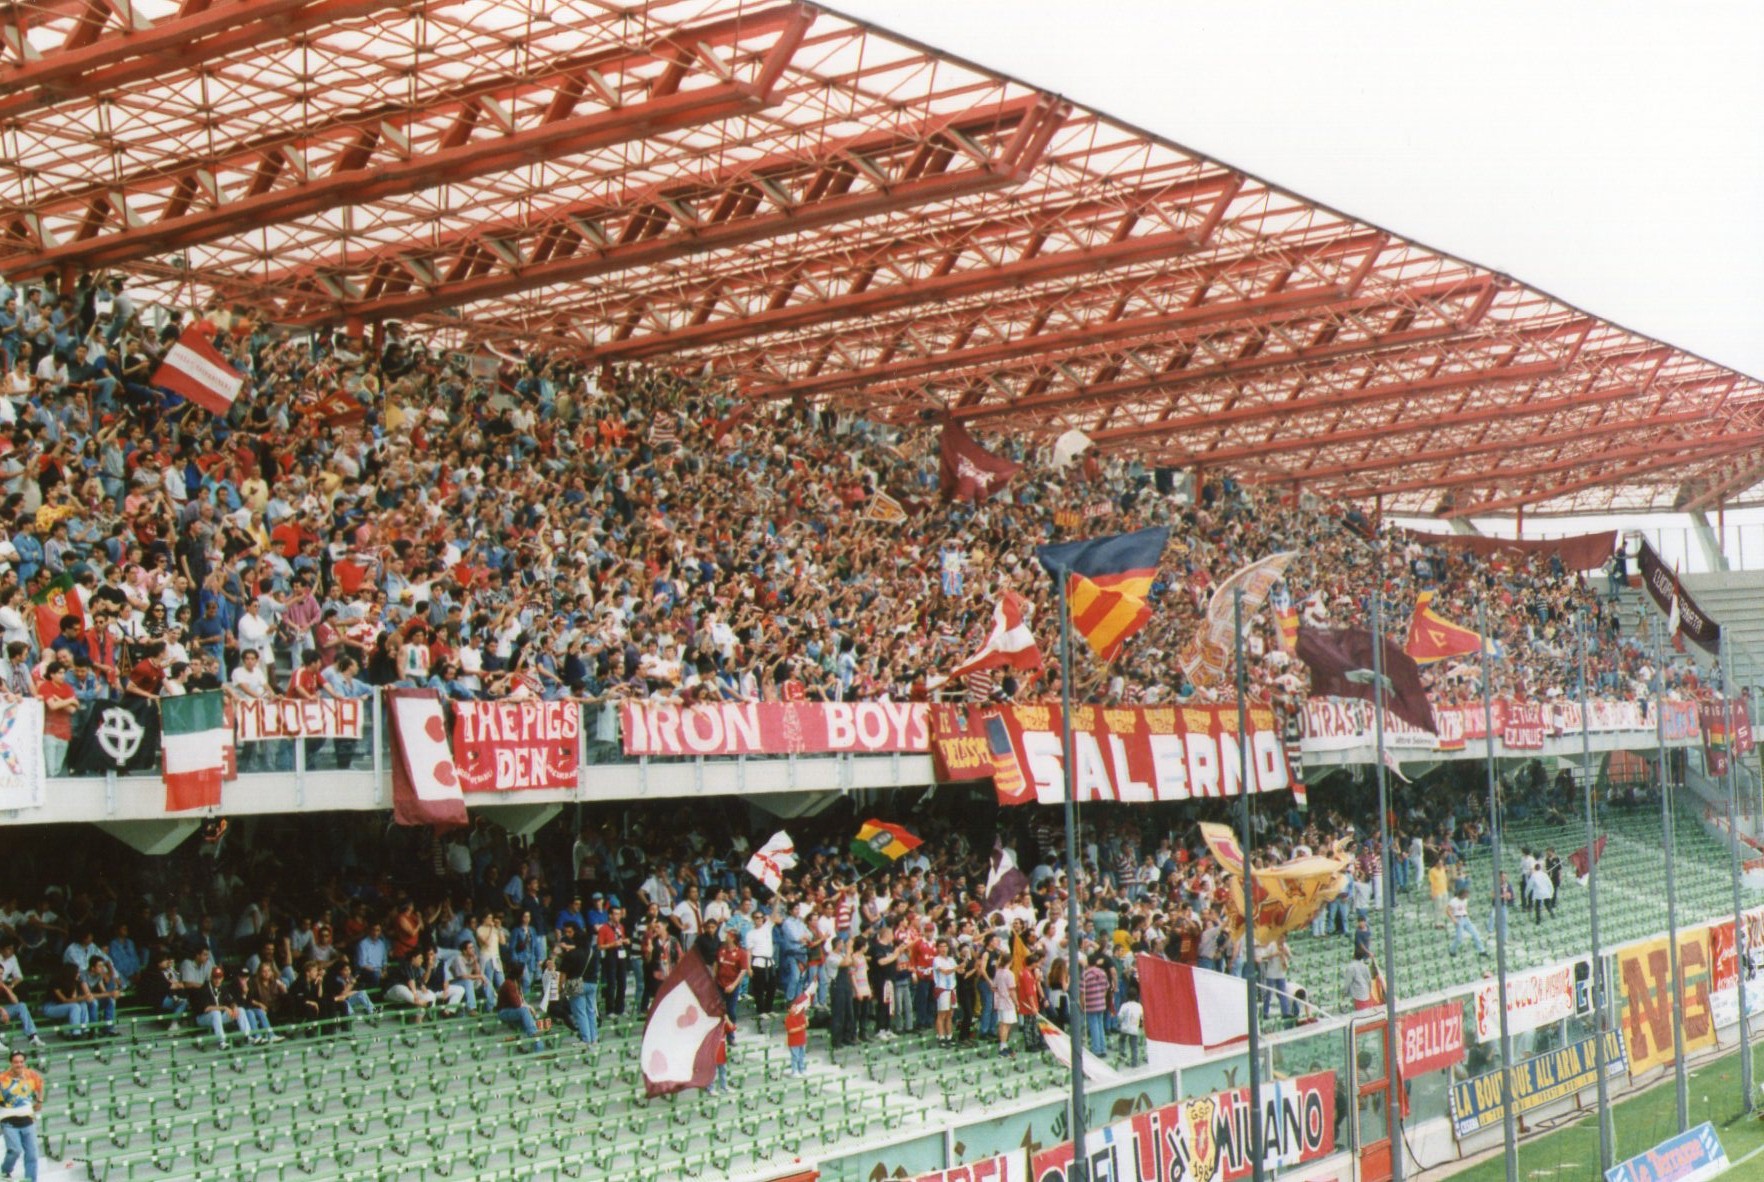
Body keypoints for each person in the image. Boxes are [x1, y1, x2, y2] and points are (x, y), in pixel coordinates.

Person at [0, 1049, 44, 1182]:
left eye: (21, 1062)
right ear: (10, 1063)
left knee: (32, 1154)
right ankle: (5, 1170)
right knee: (15, 1150)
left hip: (28, 1119)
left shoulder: (31, 1075)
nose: (19, 1065)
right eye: (16, 1062)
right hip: (9, 1120)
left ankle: (30, 1179)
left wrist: (40, 1101)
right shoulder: (2, 1078)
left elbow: (40, 1085)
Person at [1080, 953, 1110, 1059]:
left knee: (1093, 1026)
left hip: (1091, 1003)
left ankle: (1096, 1049)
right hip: (1101, 1002)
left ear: (1088, 962)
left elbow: (1082, 992)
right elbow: (1106, 987)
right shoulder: (1102, 972)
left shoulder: (1085, 974)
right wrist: (1102, 996)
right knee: (1100, 1025)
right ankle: (1103, 1048)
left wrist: (1082, 1005)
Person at [1447, 888, 1488, 957]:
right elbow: (1448, 910)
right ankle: (1452, 950)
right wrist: (1453, 919)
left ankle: (1482, 950)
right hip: (1458, 918)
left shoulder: (1465, 900)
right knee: (1459, 938)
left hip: (1466, 918)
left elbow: (1465, 908)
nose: (1466, 896)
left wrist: (1467, 915)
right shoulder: (1453, 901)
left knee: (1475, 934)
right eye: (1465, 895)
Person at [992, 952, 1018, 1058]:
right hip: (1007, 1000)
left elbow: (994, 987)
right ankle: (1002, 1046)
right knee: (1006, 1024)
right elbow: (1012, 990)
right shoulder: (1009, 974)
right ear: (1010, 961)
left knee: (1003, 1023)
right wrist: (1016, 1002)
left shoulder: (998, 972)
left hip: (999, 1000)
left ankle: (1004, 1044)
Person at [783, 986, 810, 1077]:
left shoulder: (800, 1015)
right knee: (795, 1056)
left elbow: (806, 1025)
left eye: (795, 1006)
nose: (795, 1008)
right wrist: (801, 1027)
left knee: (802, 1056)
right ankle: (794, 1071)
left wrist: (806, 1020)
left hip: (802, 1040)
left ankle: (801, 1069)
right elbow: (790, 1030)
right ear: (789, 1010)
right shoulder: (788, 1019)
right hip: (794, 1041)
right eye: (793, 1007)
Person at [1117, 981, 1144, 1067]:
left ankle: (1121, 1053)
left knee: (1121, 1039)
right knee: (1134, 1046)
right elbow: (1142, 1017)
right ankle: (1134, 1062)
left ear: (1127, 996)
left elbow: (1120, 1016)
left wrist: (1120, 1023)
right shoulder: (1139, 1006)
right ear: (1136, 996)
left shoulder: (1124, 1005)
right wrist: (1140, 1024)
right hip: (1134, 1028)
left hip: (1125, 1027)